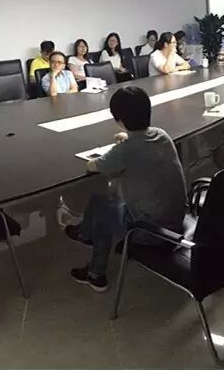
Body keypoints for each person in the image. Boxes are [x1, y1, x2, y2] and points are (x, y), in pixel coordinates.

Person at [65, 86, 188, 292]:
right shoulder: (162, 135)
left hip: (151, 232)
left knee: (102, 209)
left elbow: (92, 166)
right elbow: (140, 148)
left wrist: (119, 147)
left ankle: (95, 274)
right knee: (100, 202)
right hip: (176, 219)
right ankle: (85, 234)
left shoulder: (124, 151)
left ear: (120, 120)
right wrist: (127, 140)